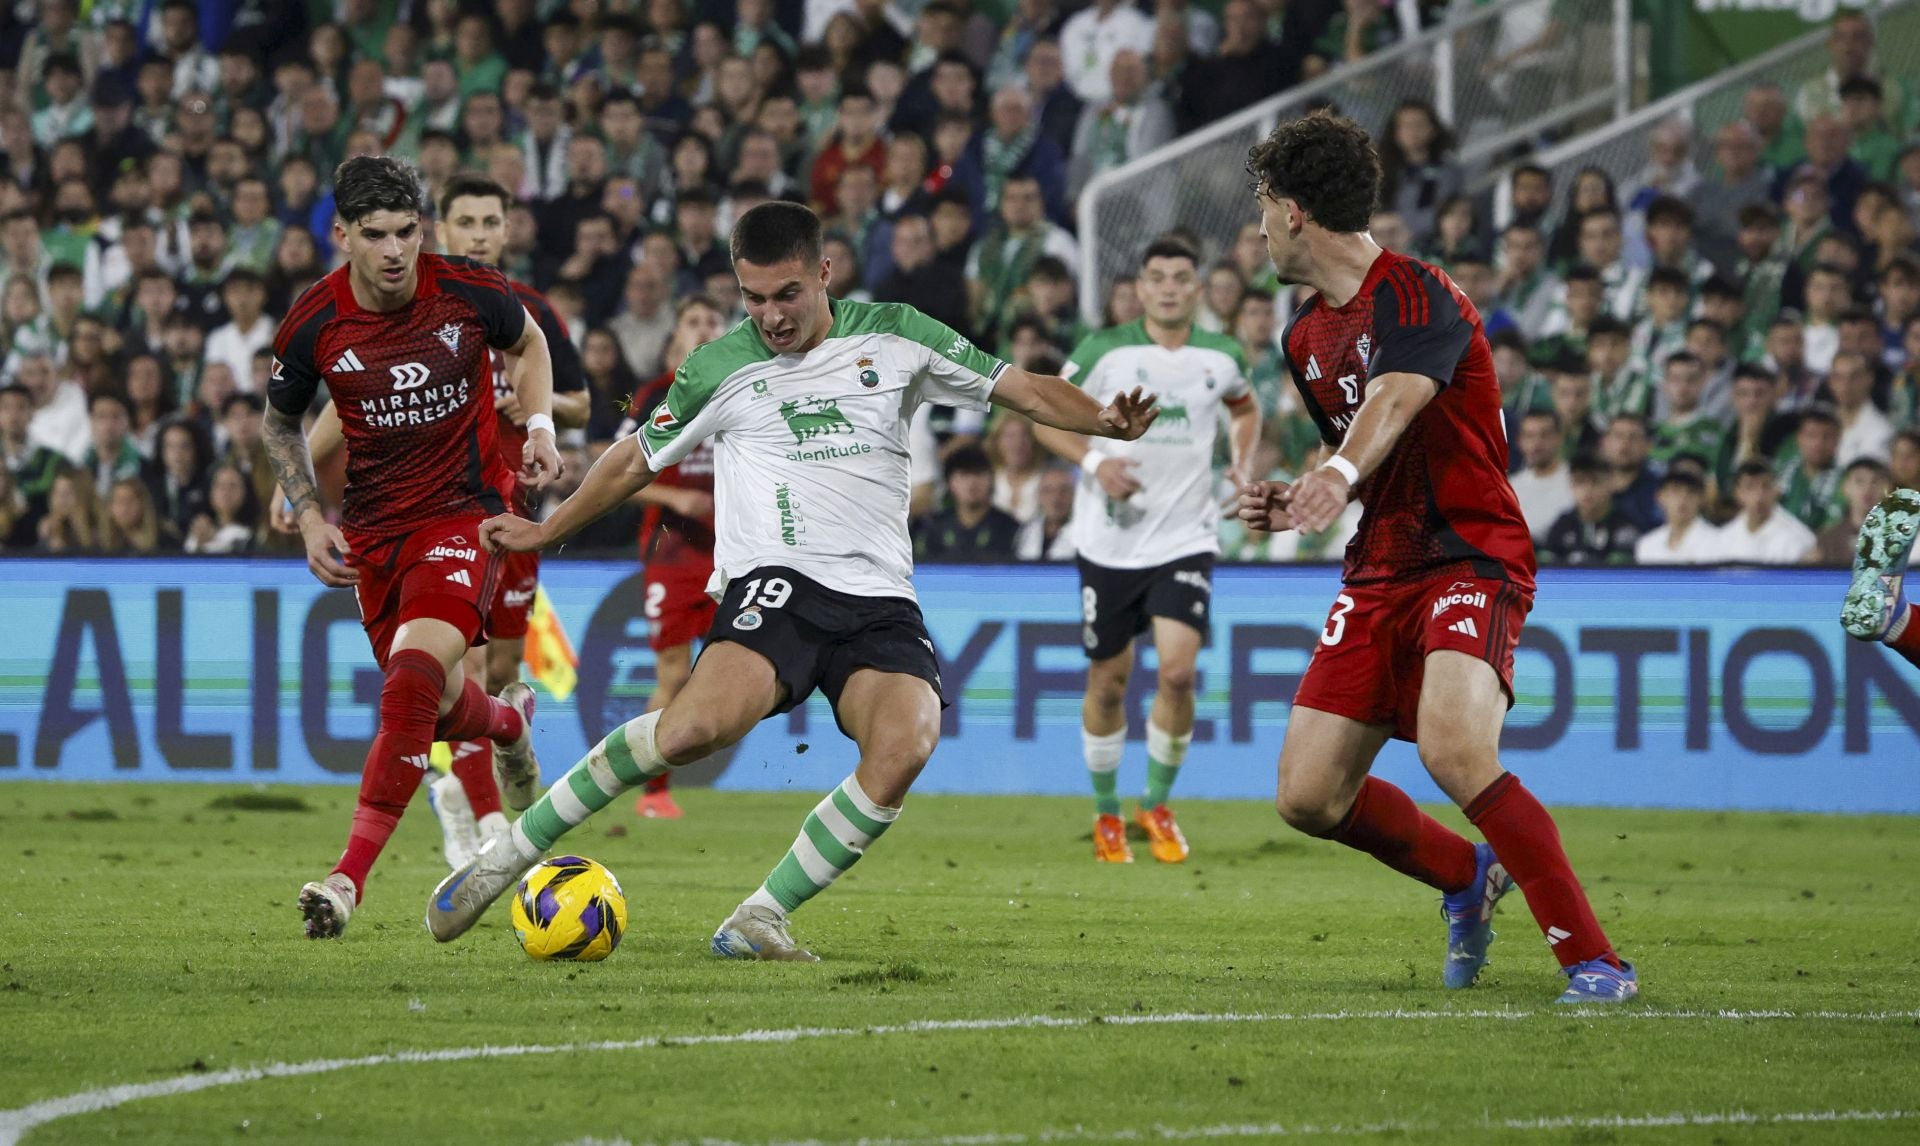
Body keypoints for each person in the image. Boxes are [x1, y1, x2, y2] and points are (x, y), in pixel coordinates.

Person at [426, 201, 1159, 960]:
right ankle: (505, 857)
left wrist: (1103, 420)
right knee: (691, 731)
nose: (770, 316)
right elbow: (631, 459)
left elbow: (1027, 389)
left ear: (824, 274)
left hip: (880, 598)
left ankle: (760, 915)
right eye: (753, 297)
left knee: (907, 742)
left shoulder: (899, 333)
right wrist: (549, 529)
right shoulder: (722, 365)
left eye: (786, 295)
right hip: (777, 581)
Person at [1234, 111, 1637, 1003]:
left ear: (1294, 212)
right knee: (1306, 796)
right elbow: (1363, 448)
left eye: (1262, 205)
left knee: (1457, 751)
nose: (1257, 227)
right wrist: (1303, 490)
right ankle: (1466, 876)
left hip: (1468, 553)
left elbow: (1399, 395)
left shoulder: (1416, 291)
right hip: (1379, 567)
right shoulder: (1303, 336)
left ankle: (1595, 961)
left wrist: (1333, 473)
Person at [263, 156, 562, 940]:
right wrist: (307, 512)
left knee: (412, 683)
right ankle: (505, 726)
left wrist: (539, 429)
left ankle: (345, 881)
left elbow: (530, 346)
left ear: (421, 229)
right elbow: (280, 422)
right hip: (372, 532)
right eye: (376, 236)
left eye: (406, 232)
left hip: (462, 515)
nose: (395, 251)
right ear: (342, 236)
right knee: (431, 707)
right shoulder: (314, 323)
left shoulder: (468, 290)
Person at [1032, 235, 1259, 864]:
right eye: (1156, 276)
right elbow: (1042, 413)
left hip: (1186, 536)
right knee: (1110, 683)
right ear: (1139, 284)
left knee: (1180, 673)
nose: (1168, 287)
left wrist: (1239, 465)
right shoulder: (1105, 350)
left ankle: (1156, 804)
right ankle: (1107, 814)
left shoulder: (1222, 354)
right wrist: (1097, 459)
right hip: (1109, 541)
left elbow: (1244, 409)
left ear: (1197, 286)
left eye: (1181, 277)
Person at [621, 295, 732, 821]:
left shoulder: (746, 385)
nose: (705, 328)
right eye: (693, 320)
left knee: (732, 670)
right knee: (673, 674)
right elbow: (619, 474)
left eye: (713, 319)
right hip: (672, 552)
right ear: (677, 337)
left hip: (736, 553)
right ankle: (651, 790)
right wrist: (675, 498)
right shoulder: (654, 396)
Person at [1710, 459, 1816, 564]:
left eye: (1766, 486)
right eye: (1750, 487)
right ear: (1737, 493)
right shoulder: (1725, 538)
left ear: (1776, 490)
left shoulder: (1799, 540)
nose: (1759, 497)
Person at [1634, 469, 1718, 565]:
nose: (1683, 498)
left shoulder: (1715, 540)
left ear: (1701, 499)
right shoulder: (1646, 544)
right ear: (1660, 497)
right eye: (1676, 491)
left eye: (1691, 492)